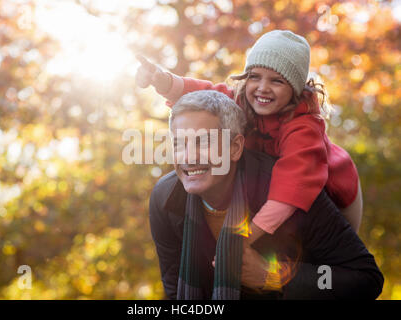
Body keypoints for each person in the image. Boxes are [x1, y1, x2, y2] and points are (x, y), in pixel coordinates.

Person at [149, 90, 383, 299]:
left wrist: (272, 276)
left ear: (235, 148)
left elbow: (365, 279)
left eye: (203, 143)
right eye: (179, 144)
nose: (189, 157)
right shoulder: (165, 199)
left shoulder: (289, 194)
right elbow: (173, 285)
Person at [138, 30, 362, 248]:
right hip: (277, 185)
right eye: (255, 77)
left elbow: (291, 190)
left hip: (337, 190)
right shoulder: (242, 101)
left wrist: (245, 237)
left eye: (277, 81)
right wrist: (164, 81)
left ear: (294, 89)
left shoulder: (303, 127)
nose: (263, 88)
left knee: (330, 248)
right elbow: (204, 93)